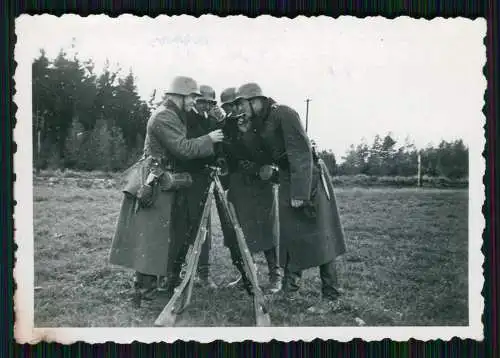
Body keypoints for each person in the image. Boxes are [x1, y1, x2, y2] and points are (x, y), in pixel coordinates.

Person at [109, 76, 224, 305]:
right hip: (155, 182)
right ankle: (145, 293)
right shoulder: (164, 116)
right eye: (192, 97)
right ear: (179, 95)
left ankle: (151, 290)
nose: (194, 102)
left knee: (159, 237)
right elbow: (183, 148)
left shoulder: (172, 114)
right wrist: (209, 138)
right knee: (152, 238)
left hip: (163, 181)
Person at [233, 82, 347, 313]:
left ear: (256, 101)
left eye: (241, 104)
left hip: (308, 178)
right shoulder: (260, 122)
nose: (239, 110)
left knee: (320, 235)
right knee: (289, 234)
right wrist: (246, 134)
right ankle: (290, 289)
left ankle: (331, 294)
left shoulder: (283, 113)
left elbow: (301, 152)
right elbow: (263, 154)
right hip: (287, 177)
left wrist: (299, 193)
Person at [221, 85, 283, 294]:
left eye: (236, 105)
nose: (233, 111)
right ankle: (247, 274)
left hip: (260, 183)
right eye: (228, 107)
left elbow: (268, 152)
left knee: (266, 228)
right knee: (239, 231)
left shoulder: (259, 123)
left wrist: (247, 134)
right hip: (238, 183)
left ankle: (276, 276)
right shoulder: (226, 126)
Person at [181, 84, 225, 289]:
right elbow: (188, 146)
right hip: (189, 178)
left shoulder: (214, 121)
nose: (206, 106)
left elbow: (221, 145)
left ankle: (203, 273)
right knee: (186, 225)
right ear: (195, 101)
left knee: (204, 227)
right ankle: (179, 270)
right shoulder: (186, 118)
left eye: (210, 102)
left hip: (207, 179)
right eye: (202, 101)